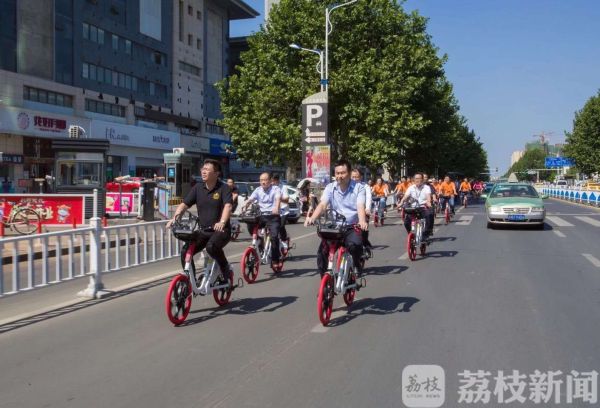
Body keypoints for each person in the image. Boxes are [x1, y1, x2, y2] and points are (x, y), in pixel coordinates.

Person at [167, 159, 234, 280]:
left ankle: (226, 269)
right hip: (204, 231)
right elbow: (184, 205)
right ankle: (190, 279)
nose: (203, 171)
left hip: (221, 231)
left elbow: (228, 206)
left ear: (216, 173)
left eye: (207, 169)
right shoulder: (198, 188)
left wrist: (222, 222)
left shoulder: (224, 188)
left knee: (211, 247)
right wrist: (175, 218)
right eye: (203, 169)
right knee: (185, 251)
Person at [305, 160, 368, 276]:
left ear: (349, 173)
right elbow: (323, 204)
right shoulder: (330, 187)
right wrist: (312, 218)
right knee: (321, 254)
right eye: (337, 173)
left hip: (351, 226)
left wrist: (362, 221)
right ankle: (325, 283)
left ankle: (356, 265)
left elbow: (360, 206)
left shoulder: (359, 188)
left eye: (342, 173)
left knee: (355, 246)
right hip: (335, 227)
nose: (339, 176)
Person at [242, 172, 283, 269]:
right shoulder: (257, 190)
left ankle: (275, 259)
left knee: (274, 238)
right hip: (262, 216)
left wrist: (276, 208)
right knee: (250, 223)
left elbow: (277, 199)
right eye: (261, 180)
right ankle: (259, 241)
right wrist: (245, 205)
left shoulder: (275, 189)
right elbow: (251, 199)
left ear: (270, 181)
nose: (263, 182)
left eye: (265, 180)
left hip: (273, 216)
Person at [397, 172, 433, 237]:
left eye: (419, 178)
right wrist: (401, 202)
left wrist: (428, 202)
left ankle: (427, 232)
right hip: (413, 208)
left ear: (422, 179)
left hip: (423, 207)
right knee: (406, 222)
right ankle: (410, 234)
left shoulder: (426, 187)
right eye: (416, 178)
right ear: (414, 179)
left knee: (430, 214)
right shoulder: (411, 187)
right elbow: (406, 196)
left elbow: (428, 197)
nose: (418, 180)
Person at [351, 168, 373, 249]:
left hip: (363, 210)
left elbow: (368, 197)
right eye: (352, 177)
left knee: (363, 228)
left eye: (356, 177)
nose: (354, 179)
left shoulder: (365, 186)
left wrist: (367, 208)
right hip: (351, 211)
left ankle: (365, 242)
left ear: (360, 177)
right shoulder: (348, 185)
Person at [271, 174, 290, 251]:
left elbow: (287, 200)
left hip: (283, 210)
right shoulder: (270, 188)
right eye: (271, 181)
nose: (272, 182)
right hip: (273, 210)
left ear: (277, 180)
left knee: (281, 226)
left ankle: (284, 240)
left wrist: (279, 198)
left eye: (273, 181)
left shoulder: (283, 187)